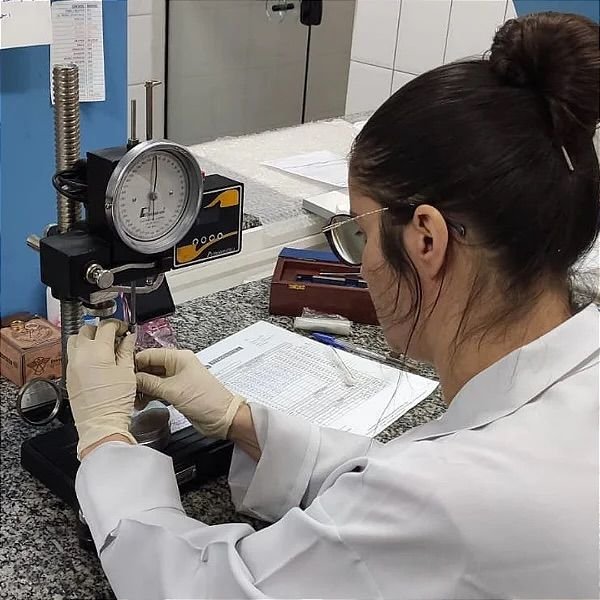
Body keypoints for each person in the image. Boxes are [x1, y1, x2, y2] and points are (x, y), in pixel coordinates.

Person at [68, 11, 599, 600]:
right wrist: (239, 420)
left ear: (427, 239)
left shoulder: (448, 497)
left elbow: (204, 588)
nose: (361, 263)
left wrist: (105, 442)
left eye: (360, 233)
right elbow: (391, 496)